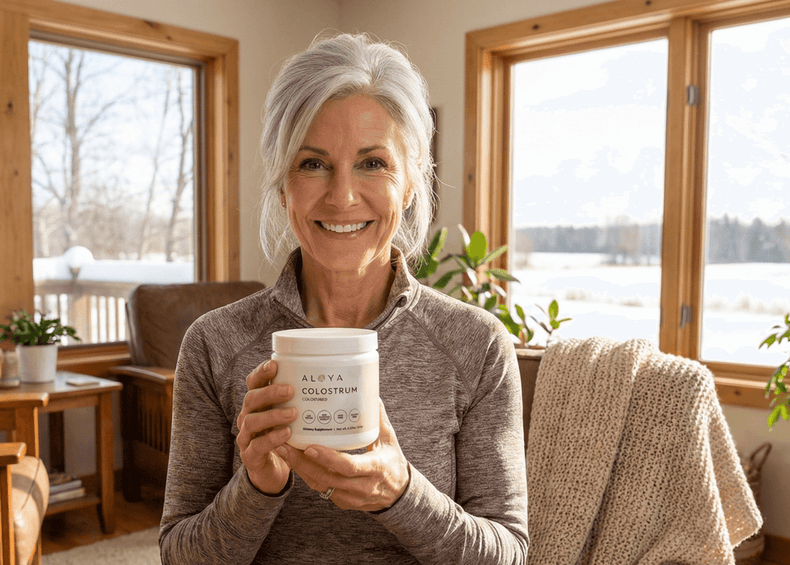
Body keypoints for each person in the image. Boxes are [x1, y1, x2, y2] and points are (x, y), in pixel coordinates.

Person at [158, 33, 527, 564]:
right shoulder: (215, 345)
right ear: (283, 186)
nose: (343, 196)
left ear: (410, 183)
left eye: (373, 163)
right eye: (312, 164)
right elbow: (179, 556)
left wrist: (401, 495)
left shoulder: (477, 345)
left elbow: (510, 556)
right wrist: (256, 488)